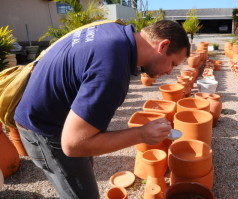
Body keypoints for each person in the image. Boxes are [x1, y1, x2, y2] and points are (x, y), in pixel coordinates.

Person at [14, 20, 190, 198]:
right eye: (173, 64)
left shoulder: (114, 31)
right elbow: (73, 145)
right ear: (163, 45)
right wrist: (142, 134)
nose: (170, 72)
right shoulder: (112, 70)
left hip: (49, 115)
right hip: (44, 130)